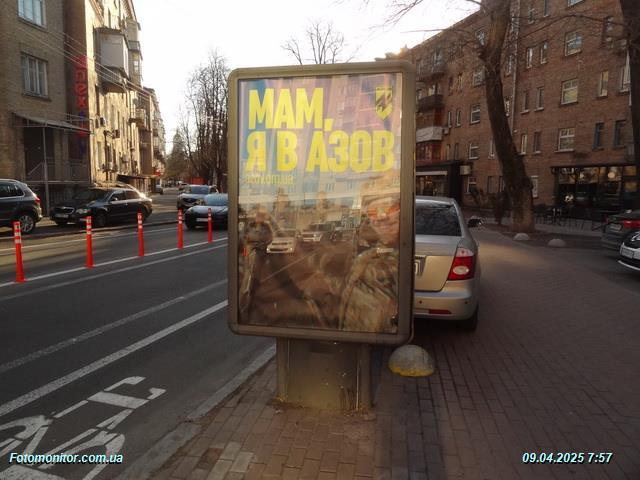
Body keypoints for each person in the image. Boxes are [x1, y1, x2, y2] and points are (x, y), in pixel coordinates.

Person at [339, 193, 400, 334]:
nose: (381, 216)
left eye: (389, 208)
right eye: (373, 211)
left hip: (382, 340)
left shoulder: (404, 254)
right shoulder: (365, 257)